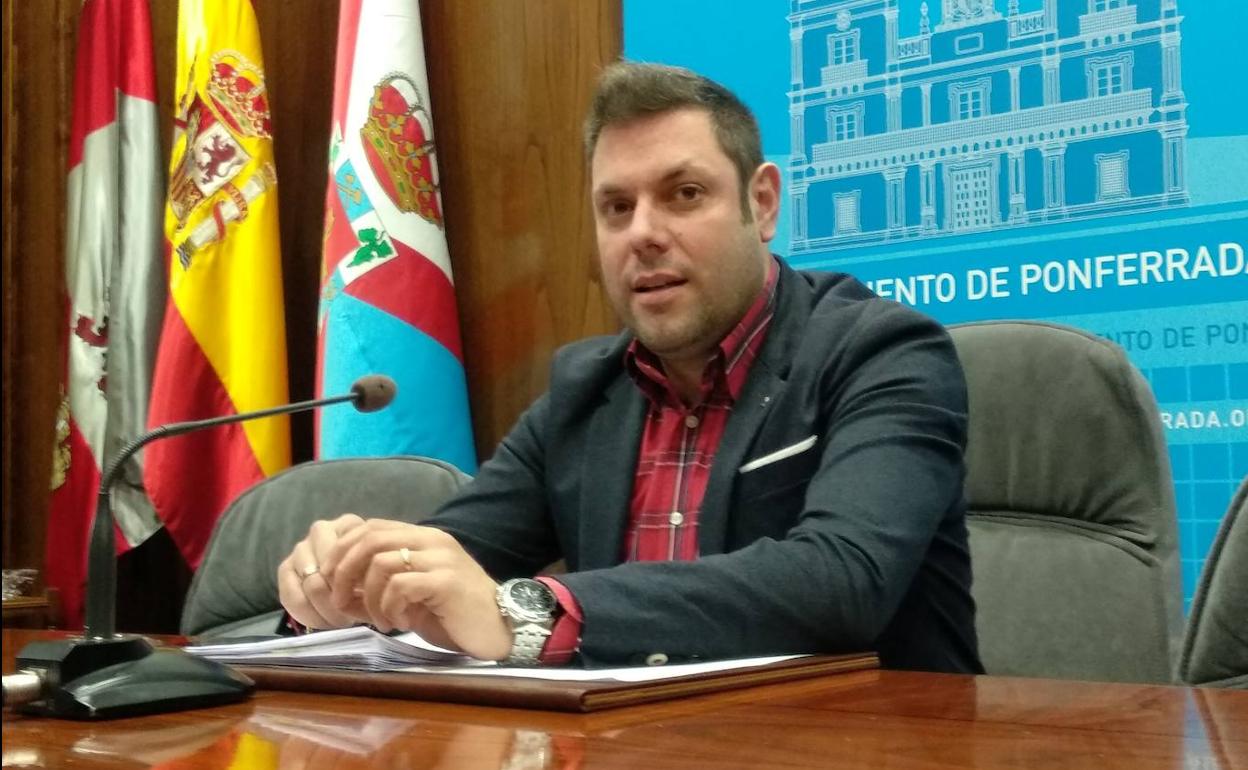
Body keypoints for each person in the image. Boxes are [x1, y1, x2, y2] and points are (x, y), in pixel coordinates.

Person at [278, 61, 982, 673]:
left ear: (762, 204)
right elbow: (453, 557)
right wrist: (355, 583)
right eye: (617, 207)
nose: (643, 233)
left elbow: (843, 579)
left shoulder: (884, 353)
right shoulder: (586, 391)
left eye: (684, 194)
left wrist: (528, 614)